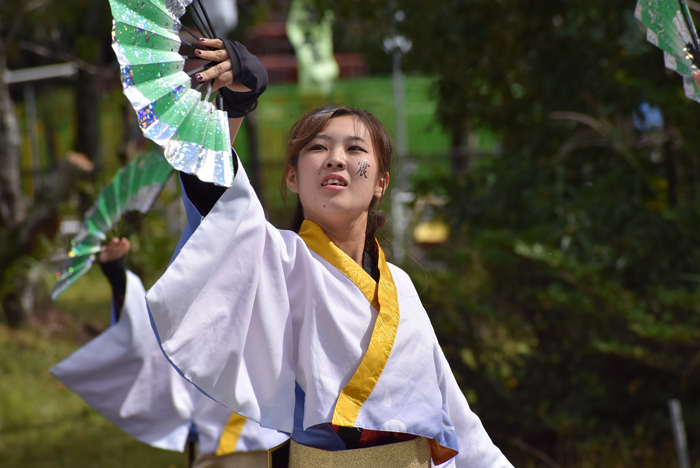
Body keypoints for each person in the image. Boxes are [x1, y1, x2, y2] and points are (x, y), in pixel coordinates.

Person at [146, 38, 513, 467]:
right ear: (291, 178)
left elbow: (456, 419)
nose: (336, 159)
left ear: (381, 182)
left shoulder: (402, 287)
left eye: (355, 149)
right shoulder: (278, 262)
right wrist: (236, 106)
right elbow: (219, 206)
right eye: (318, 148)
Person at [51, 237, 288, 468]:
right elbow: (151, 344)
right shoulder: (198, 299)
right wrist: (118, 276)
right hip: (225, 446)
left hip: (264, 442)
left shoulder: (282, 273)